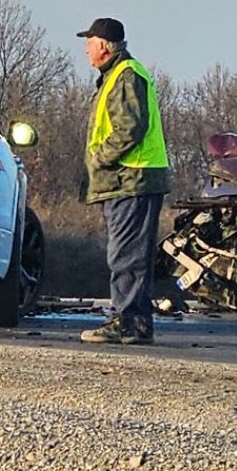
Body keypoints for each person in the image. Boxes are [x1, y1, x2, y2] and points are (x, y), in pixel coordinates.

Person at [76, 18, 170, 345]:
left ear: (103, 45)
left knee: (126, 256)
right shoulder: (117, 75)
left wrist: (99, 159)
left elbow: (130, 128)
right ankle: (134, 322)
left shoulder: (125, 75)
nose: (86, 49)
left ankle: (128, 321)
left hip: (131, 178)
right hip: (125, 180)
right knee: (127, 255)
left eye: (89, 42)